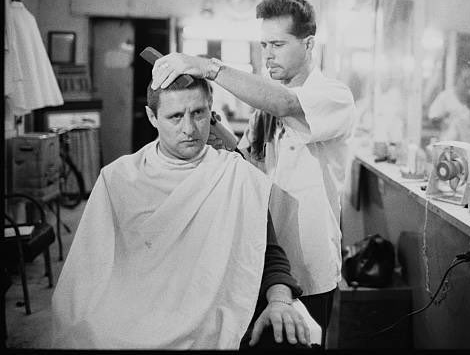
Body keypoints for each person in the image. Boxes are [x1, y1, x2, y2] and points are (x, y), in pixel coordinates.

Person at [51, 78, 318, 350]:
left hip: (214, 312)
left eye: (198, 113)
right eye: (175, 117)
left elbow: (269, 253)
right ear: (152, 117)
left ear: (211, 111)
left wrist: (279, 301)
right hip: (134, 313)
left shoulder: (237, 175)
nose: (189, 129)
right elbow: (89, 271)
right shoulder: (118, 178)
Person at [150, 0, 356, 344]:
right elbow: (246, 160)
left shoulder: (333, 95)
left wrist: (210, 68)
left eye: (278, 44)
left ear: (308, 44)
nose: (268, 54)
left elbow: (286, 104)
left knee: (300, 343)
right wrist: (208, 125)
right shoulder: (263, 107)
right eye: (263, 44)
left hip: (308, 260)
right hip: (260, 254)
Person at [428, 63, 470, 131]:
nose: (469, 84)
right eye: (465, 79)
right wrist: (444, 124)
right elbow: (433, 118)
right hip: (450, 140)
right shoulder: (445, 97)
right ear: (457, 78)